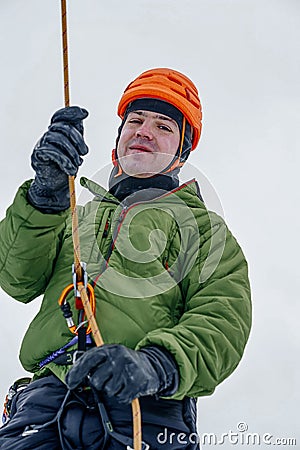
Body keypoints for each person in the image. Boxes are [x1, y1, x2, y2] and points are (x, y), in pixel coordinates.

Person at [0, 68, 252, 449]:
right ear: (117, 142)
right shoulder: (74, 218)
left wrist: (156, 364)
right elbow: (17, 278)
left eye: (164, 126)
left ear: (181, 154)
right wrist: (45, 195)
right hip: (43, 406)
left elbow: (223, 318)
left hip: (147, 412)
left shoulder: (204, 230)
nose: (144, 130)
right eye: (135, 121)